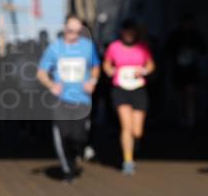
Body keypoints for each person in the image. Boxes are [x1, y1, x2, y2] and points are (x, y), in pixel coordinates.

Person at [36, 15, 101, 183]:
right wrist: (51, 85)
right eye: (71, 31)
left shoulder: (88, 47)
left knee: (79, 137)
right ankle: (68, 170)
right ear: (64, 29)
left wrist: (92, 81)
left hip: (82, 99)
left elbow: (95, 67)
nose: (74, 34)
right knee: (64, 135)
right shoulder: (55, 48)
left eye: (78, 32)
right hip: (61, 100)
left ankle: (76, 154)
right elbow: (41, 73)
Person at [102, 19, 155, 175]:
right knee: (126, 126)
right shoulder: (114, 47)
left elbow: (151, 64)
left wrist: (144, 71)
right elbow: (107, 63)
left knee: (137, 131)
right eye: (126, 31)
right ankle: (128, 160)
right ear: (122, 33)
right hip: (120, 88)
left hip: (138, 88)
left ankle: (134, 146)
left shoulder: (142, 47)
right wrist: (109, 71)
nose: (129, 34)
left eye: (132, 31)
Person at [167, 13, 207, 129]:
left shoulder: (195, 36)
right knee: (180, 96)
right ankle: (182, 118)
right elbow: (168, 51)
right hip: (179, 70)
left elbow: (203, 50)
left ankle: (191, 119)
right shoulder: (175, 36)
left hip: (192, 70)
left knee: (191, 94)